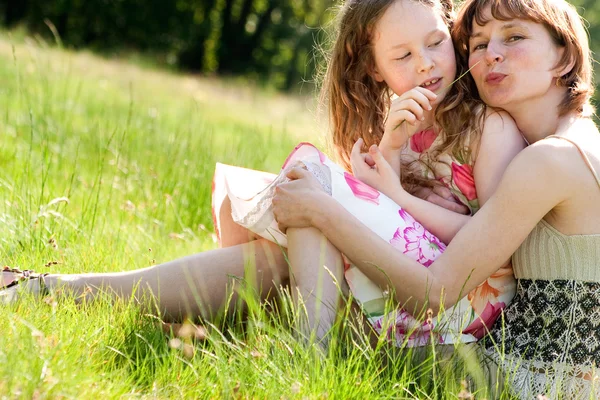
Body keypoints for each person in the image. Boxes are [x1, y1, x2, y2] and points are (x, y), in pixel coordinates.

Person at [1, 0, 523, 349]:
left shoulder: (488, 127)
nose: (427, 64)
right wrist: (388, 152)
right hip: (391, 286)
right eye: (403, 56)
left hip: (461, 308)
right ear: (373, 69)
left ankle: (308, 353)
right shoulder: (391, 123)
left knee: (308, 180)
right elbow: (361, 222)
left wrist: (390, 192)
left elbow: (493, 244)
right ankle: (59, 288)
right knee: (279, 244)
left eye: (435, 43)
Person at [270, 0, 600, 397]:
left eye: (514, 37)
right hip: (513, 366)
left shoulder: (551, 159)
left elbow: (431, 296)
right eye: (478, 45)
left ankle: (303, 370)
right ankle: (190, 321)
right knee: (284, 264)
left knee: (303, 222)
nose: (492, 53)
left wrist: (323, 212)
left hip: (517, 382)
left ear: (564, 56)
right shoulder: (573, 143)